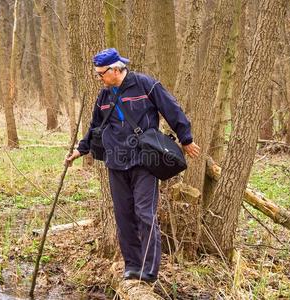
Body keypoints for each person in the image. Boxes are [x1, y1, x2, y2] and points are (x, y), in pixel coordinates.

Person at [65, 48, 200, 282]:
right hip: (115, 161)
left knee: (144, 213)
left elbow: (171, 108)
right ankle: (132, 266)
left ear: (116, 70)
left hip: (144, 160)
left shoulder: (145, 84)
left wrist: (185, 138)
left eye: (101, 74)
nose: (99, 78)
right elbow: (95, 126)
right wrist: (81, 149)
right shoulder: (104, 96)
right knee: (123, 215)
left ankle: (149, 270)